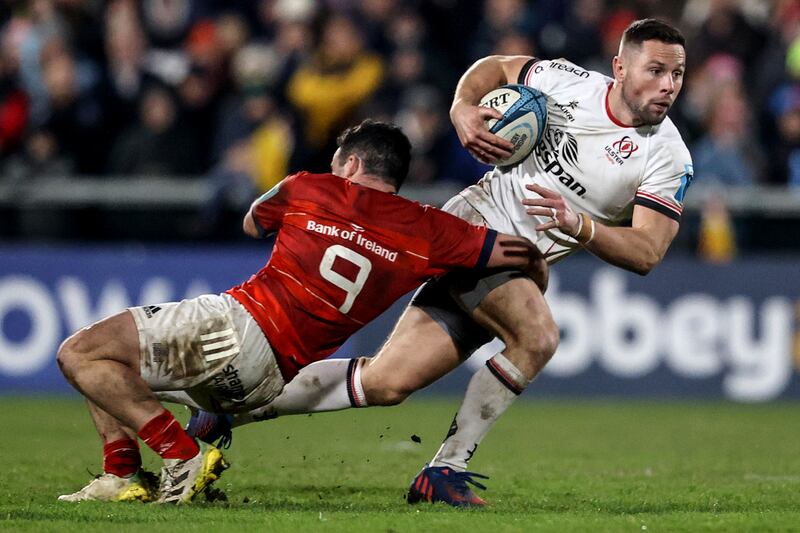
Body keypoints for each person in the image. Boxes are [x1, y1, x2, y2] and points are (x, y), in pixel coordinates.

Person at [188, 18, 693, 507]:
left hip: (512, 263)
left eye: (677, 74)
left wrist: (577, 224)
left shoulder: (668, 156)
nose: (668, 85)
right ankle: (445, 470)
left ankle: (229, 412)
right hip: (474, 227)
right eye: (655, 71)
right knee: (537, 337)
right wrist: (462, 109)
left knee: (385, 383)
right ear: (620, 68)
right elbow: (496, 67)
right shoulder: (568, 82)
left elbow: (647, 252)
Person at [56, 119, 548, 504]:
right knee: (112, 365)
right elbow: (516, 251)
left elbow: (253, 222)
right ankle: (122, 474)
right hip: (269, 380)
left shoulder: (310, 188)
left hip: (236, 327)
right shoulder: (430, 231)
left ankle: (179, 453)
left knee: (82, 353)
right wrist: (538, 271)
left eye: (338, 164)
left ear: (351, 163)